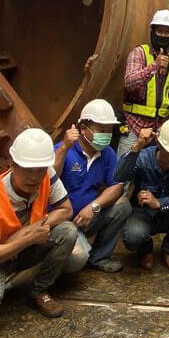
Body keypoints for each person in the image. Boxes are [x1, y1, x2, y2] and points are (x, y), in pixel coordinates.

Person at [0, 128, 84, 318]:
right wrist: (26, 239)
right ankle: (7, 284)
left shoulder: (46, 174)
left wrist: (31, 232)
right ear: (12, 165)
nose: (34, 177)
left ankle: (38, 290)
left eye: (40, 170)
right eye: (27, 170)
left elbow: (66, 210)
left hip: (26, 247)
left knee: (68, 232)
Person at [54, 99, 131, 273]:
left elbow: (117, 186)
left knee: (123, 205)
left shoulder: (107, 154)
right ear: (83, 129)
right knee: (76, 260)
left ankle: (99, 258)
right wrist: (64, 147)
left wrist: (93, 206)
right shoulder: (64, 150)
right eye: (101, 130)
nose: (106, 135)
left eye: (109, 130)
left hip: (88, 217)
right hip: (62, 223)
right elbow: (49, 179)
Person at [114, 118, 169, 273]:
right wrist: (137, 147)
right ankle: (145, 248)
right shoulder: (144, 158)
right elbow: (119, 176)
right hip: (144, 214)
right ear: (159, 145)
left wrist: (160, 203)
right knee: (132, 237)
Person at [119, 9, 169, 158]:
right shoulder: (139, 53)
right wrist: (153, 67)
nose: (163, 35)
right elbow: (129, 83)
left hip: (157, 131)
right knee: (123, 174)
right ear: (152, 31)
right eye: (160, 31)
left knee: (150, 175)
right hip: (134, 126)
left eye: (168, 32)